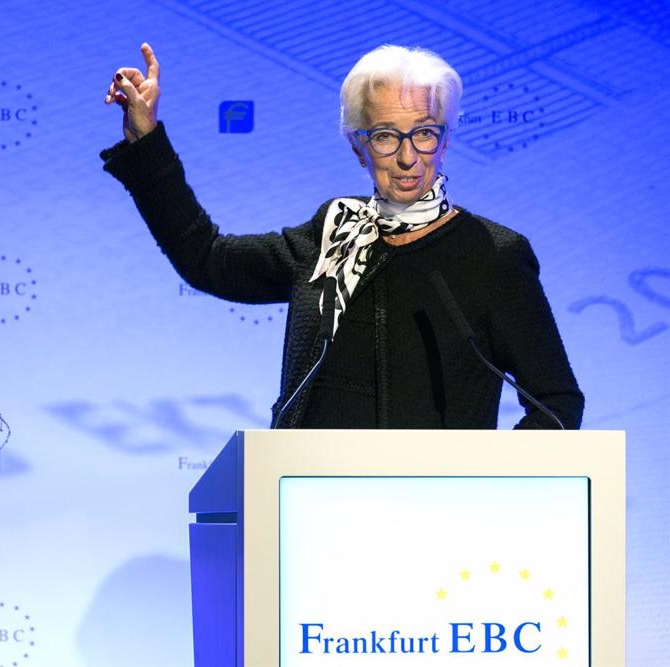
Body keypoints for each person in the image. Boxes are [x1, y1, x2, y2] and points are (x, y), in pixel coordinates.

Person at [101, 43, 583, 429]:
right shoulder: (331, 233)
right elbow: (206, 258)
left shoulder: (492, 256)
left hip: (434, 521)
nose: (408, 156)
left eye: (425, 133)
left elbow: (556, 402)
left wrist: (484, 486)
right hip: (304, 507)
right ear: (358, 146)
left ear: (446, 139)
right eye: (386, 135)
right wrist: (146, 142)